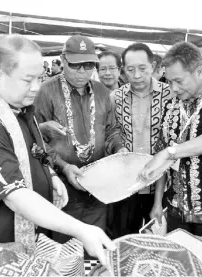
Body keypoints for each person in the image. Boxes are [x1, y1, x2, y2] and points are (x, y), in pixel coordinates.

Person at [0, 34, 116, 263]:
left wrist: (50, 174)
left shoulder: (19, 105)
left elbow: (34, 149)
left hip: (36, 231)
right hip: (2, 242)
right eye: (27, 79)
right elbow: (15, 195)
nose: (36, 88)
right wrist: (81, 229)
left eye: (39, 78)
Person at [139, 42, 202, 237]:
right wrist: (157, 202)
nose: (173, 88)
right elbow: (162, 162)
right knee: (181, 264)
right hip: (176, 209)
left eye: (179, 81)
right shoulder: (170, 108)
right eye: (168, 81)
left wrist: (168, 152)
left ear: (199, 71)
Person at [34, 35, 127, 249]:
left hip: (97, 185)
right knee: (64, 250)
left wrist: (120, 148)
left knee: (94, 247)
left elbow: (111, 130)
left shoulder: (102, 92)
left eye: (88, 65)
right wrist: (64, 167)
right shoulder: (45, 92)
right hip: (63, 188)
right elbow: (36, 142)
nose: (83, 71)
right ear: (63, 60)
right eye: (76, 65)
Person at [108, 43, 173, 238]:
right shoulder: (115, 98)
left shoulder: (170, 95)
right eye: (130, 69)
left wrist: (159, 202)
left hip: (164, 186)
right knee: (124, 239)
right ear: (123, 70)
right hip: (127, 186)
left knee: (160, 242)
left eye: (142, 68)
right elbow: (112, 134)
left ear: (153, 66)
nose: (137, 75)